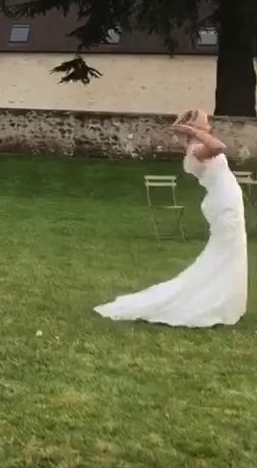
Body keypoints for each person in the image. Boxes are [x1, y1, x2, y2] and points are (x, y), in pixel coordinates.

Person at [94, 109, 248, 327]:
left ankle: (225, 300)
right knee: (226, 252)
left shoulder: (199, 146)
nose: (209, 127)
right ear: (195, 129)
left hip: (228, 200)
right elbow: (219, 146)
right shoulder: (197, 150)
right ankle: (214, 301)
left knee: (230, 251)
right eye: (205, 124)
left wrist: (195, 131)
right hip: (224, 203)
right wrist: (192, 131)